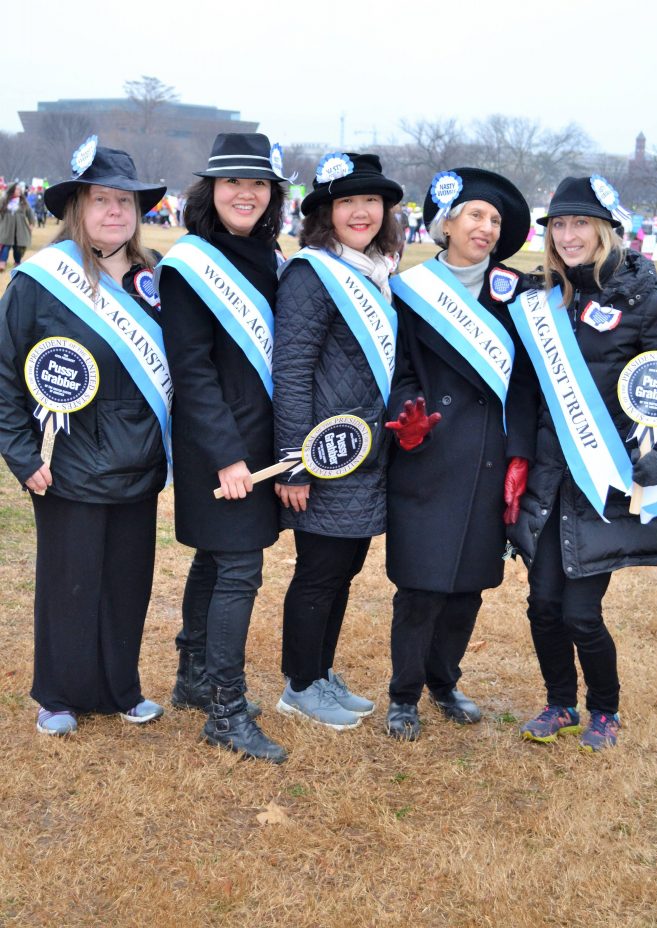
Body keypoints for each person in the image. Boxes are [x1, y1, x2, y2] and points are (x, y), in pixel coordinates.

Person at [0, 138, 170, 735]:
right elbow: (5, 373)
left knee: (128, 582)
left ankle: (121, 689)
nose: (115, 212)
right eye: (102, 200)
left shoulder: (154, 282)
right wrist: (22, 455)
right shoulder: (42, 282)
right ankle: (59, 695)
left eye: (125, 201)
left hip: (139, 465)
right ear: (77, 207)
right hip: (68, 462)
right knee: (70, 583)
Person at [507, 176, 657, 751]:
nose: (568, 234)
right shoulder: (539, 298)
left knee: (582, 611)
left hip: (606, 480)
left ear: (606, 229)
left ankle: (604, 710)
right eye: (558, 224)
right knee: (542, 604)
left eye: (580, 222)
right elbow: (527, 388)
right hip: (550, 478)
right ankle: (560, 703)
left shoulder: (644, 300)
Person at [384, 168, 536, 741]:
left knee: (469, 585)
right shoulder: (409, 291)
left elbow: (525, 383)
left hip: (488, 457)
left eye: (495, 220)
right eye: (475, 215)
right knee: (421, 584)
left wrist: (520, 453)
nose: (486, 227)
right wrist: (408, 416)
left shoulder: (518, 294)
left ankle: (443, 681)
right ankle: (403, 695)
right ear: (446, 222)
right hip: (428, 452)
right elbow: (395, 370)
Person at [157, 132, 288, 764]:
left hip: (258, 440)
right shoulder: (190, 262)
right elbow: (193, 368)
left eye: (259, 183)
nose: (247, 193)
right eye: (234, 182)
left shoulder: (268, 253)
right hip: (220, 443)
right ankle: (226, 712)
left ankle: (194, 678)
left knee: (215, 561)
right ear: (210, 190)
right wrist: (228, 455)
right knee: (239, 568)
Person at [273, 152, 403, 729]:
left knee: (344, 567)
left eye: (370, 200)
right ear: (326, 212)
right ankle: (299, 684)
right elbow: (293, 371)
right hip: (324, 456)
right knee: (319, 571)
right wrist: (293, 462)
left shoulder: (376, 270)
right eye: (347, 201)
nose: (361, 211)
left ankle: (320, 673)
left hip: (365, 455)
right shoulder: (312, 272)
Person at [0, 182, 35, 271]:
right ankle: (2, 262)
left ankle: (17, 262)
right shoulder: (4, 201)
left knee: (18, 246)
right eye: (17, 189)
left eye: (20, 189)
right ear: (12, 190)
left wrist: (31, 223)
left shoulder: (23, 202)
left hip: (20, 228)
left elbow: (30, 213)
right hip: (6, 228)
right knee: (5, 245)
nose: (19, 191)